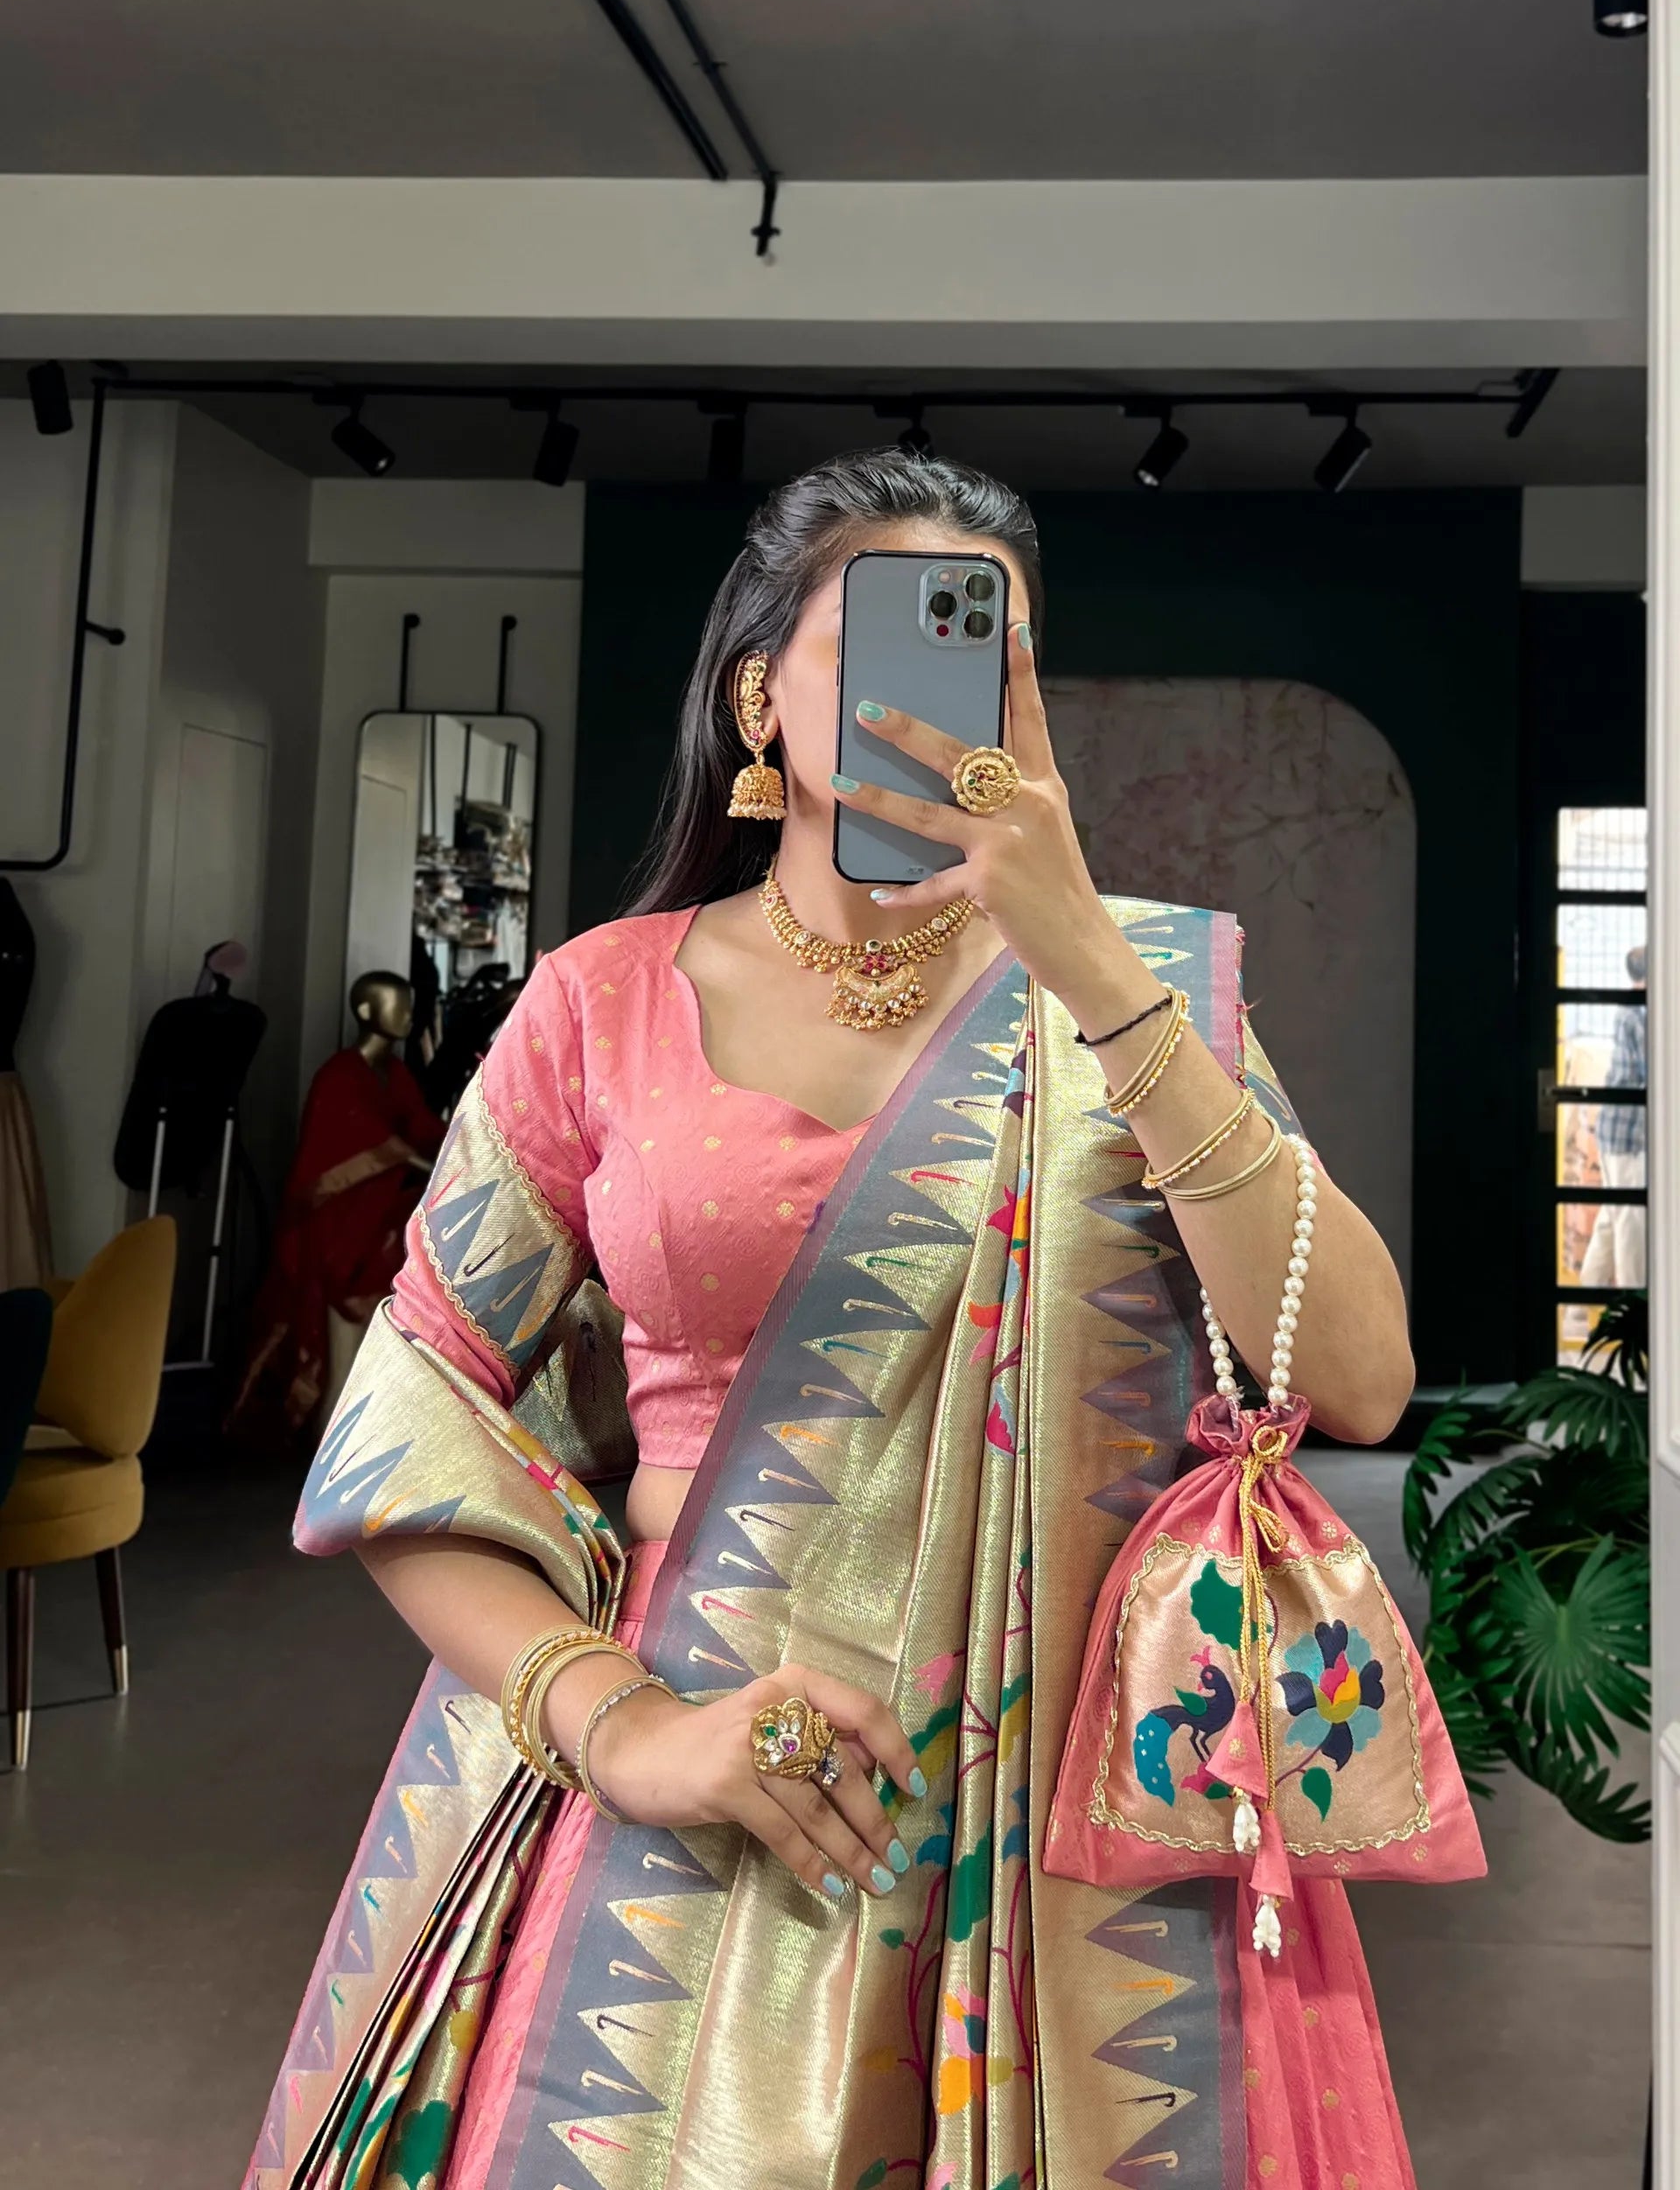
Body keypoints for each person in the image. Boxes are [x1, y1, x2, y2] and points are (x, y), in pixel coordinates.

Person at [249, 452, 1416, 2190]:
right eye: (888, 648)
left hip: (1085, 1846)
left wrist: (1098, 975)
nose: (945, 706)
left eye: (994, 660)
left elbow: (1363, 1376)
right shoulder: (603, 1003)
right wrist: (625, 1727)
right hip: (718, 1803)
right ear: (757, 703)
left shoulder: (1146, 988)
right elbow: (410, 1406)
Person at [230, 971, 443, 1439]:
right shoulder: (340, 1074)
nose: (409, 1016)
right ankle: (332, 1420)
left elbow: (423, 1128)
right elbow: (363, 1145)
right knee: (352, 1291)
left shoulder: (396, 1073)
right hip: (336, 1220)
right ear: (366, 1011)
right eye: (399, 1005)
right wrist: (420, 1160)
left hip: (378, 1212)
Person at [1582, 941, 1648, 1293]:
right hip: (1628, 1136)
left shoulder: (1629, 1008)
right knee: (1630, 1223)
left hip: (1615, 1131)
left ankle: (1578, 1306)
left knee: (1612, 1219)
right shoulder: (1641, 1013)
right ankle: (1633, 1309)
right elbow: (1652, 1071)